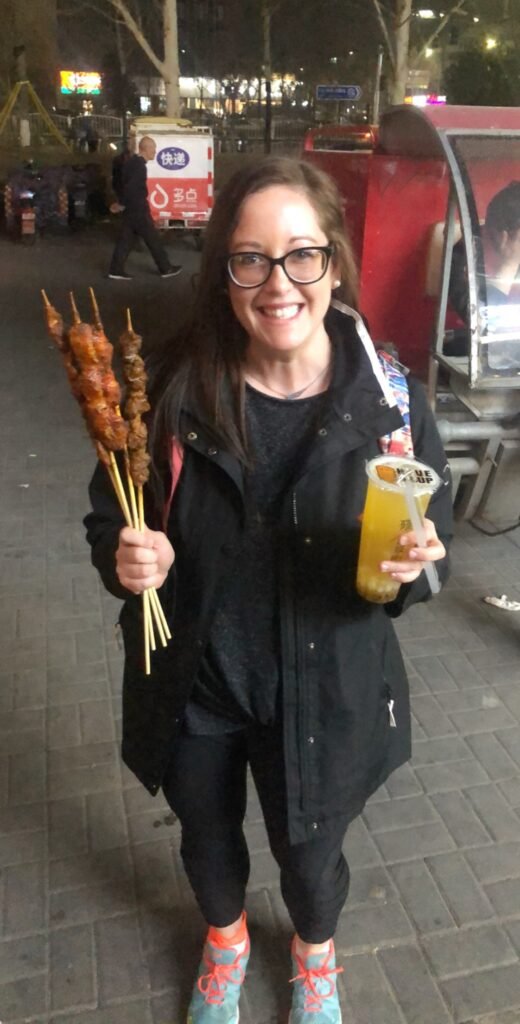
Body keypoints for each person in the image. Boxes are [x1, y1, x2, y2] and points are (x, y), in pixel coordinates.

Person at [85, 156, 452, 1023]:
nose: (278, 283)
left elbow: (432, 555)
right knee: (208, 840)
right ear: (225, 272)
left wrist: (413, 570)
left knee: (312, 858)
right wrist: (124, 560)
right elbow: (111, 513)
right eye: (251, 259)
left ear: (335, 263)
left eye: (301, 255)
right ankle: (226, 942)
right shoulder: (173, 392)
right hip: (197, 685)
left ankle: (314, 956)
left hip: (323, 693)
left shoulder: (391, 404)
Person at [448, 180, 520, 368]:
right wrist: (509, 265)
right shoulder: (463, 255)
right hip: (481, 358)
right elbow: (480, 322)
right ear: (504, 236)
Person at [108, 135, 182, 281]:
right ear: (145, 149)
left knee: (126, 239)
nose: (155, 152)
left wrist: (122, 203)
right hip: (138, 208)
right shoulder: (139, 166)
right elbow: (132, 188)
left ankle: (115, 269)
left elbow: (123, 185)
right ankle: (165, 268)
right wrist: (122, 204)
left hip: (131, 208)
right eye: (153, 148)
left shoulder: (132, 163)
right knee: (152, 239)